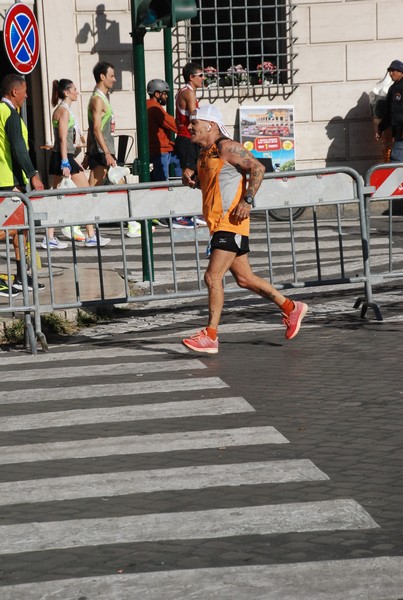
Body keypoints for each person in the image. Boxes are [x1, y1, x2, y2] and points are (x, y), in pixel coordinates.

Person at [181, 104, 308, 354]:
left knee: (212, 277)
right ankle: (292, 308)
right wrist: (193, 183)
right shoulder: (204, 154)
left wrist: (247, 201)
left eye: (195, 123)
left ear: (210, 125)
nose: (190, 127)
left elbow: (258, 168)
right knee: (244, 279)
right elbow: (215, 188)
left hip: (232, 222)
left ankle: (211, 336)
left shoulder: (227, 147)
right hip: (218, 224)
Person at [45, 78, 110, 248]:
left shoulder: (58, 111)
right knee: (85, 194)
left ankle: (50, 237)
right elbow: (61, 138)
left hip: (60, 156)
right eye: (74, 89)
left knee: (55, 197)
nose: (77, 92)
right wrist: (67, 162)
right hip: (63, 157)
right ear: (67, 92)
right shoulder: (64, 112)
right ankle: (90, 235)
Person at [0, 73, 45, 293]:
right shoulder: (9, 114)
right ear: (14, 91)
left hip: (7, 179)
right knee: (9, 229)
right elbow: (18, 148)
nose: (27, 96)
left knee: (21, 229)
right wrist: (33, 174)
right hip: (8, 180)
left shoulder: (3, 111)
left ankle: (21, 276)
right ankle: (20, 277)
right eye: (25, 91)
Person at [174, 62, 207, 229]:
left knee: (196, 175)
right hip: (188, 139)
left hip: (184, 138)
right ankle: (181, 214)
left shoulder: (182, 91)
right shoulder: (189, 93)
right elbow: (195, 116)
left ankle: (194, 212)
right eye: (200, 75)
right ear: (191, 77)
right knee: (189, 175)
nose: (203, 78)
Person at [147, 78, 181, 228]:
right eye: (164, 94)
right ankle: (165, 215)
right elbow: (172, 124)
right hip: (161, 149)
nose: (166, 97)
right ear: (157, 93)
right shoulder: (155, 108)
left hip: (162, 148)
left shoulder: (147, 105)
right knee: (163, 183)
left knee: (163, 178)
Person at [376, 59, 403, 162]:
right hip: (397, 132)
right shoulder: (393, 88)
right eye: (390, 71)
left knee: (396, 161)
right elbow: (389, 112)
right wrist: (381, 128)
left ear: (401, 71)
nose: (391, 74)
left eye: (393, 71)